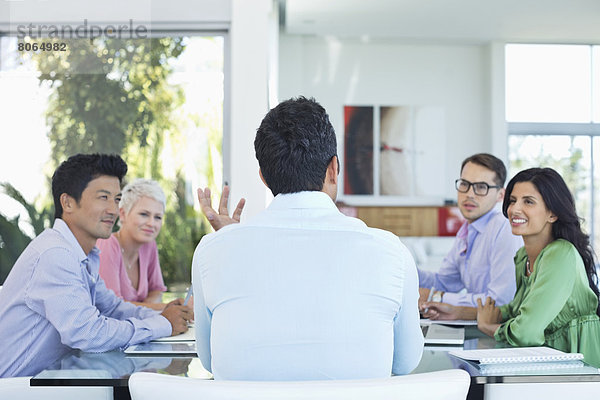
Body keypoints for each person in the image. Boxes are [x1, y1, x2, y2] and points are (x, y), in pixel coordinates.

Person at [192, 96, 423, 380]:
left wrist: (229, 244)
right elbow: (405, 363)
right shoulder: (392, 253)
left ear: (263, 176)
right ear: (333, 169)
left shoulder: (212, 252)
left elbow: (209, 360)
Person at [0, 154, 192, 378]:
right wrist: (162, 324)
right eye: (103, 197)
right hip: (16, 387)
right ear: (68, 202)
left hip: (50, 381)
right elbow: (88, 334)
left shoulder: (84, 254)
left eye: (117, 199)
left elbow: (112, 308)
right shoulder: (55, 254)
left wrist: (165, 314)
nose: (113, 209)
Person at [477, 167, 600, 365]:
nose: (515, 209)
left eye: (528, 201)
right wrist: (456, 312)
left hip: (580, 373)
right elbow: (518, 310)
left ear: (552, 214)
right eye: (512, 200)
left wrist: (487, 327)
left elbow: (525, 333)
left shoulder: (561, 254)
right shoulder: (523, 256)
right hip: (546, 366)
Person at [419, 153, 522, 320]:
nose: (469, 194)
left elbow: (500, 301)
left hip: (498, 337)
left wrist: (437, 297)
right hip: (475, 330)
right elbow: (445, 282)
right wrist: (404, 268)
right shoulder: (468, 229)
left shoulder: (504, 229)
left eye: (481, 187)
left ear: (500, 196)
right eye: (465, 184)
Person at [97, 178, 169, 311]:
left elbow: (156, 291)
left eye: (158, 217)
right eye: (144, 214)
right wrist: (166, 307)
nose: (151, 223)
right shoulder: (107, 245)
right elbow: (112, 308)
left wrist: (148, 309)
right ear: (123, 214)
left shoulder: (149, 245)